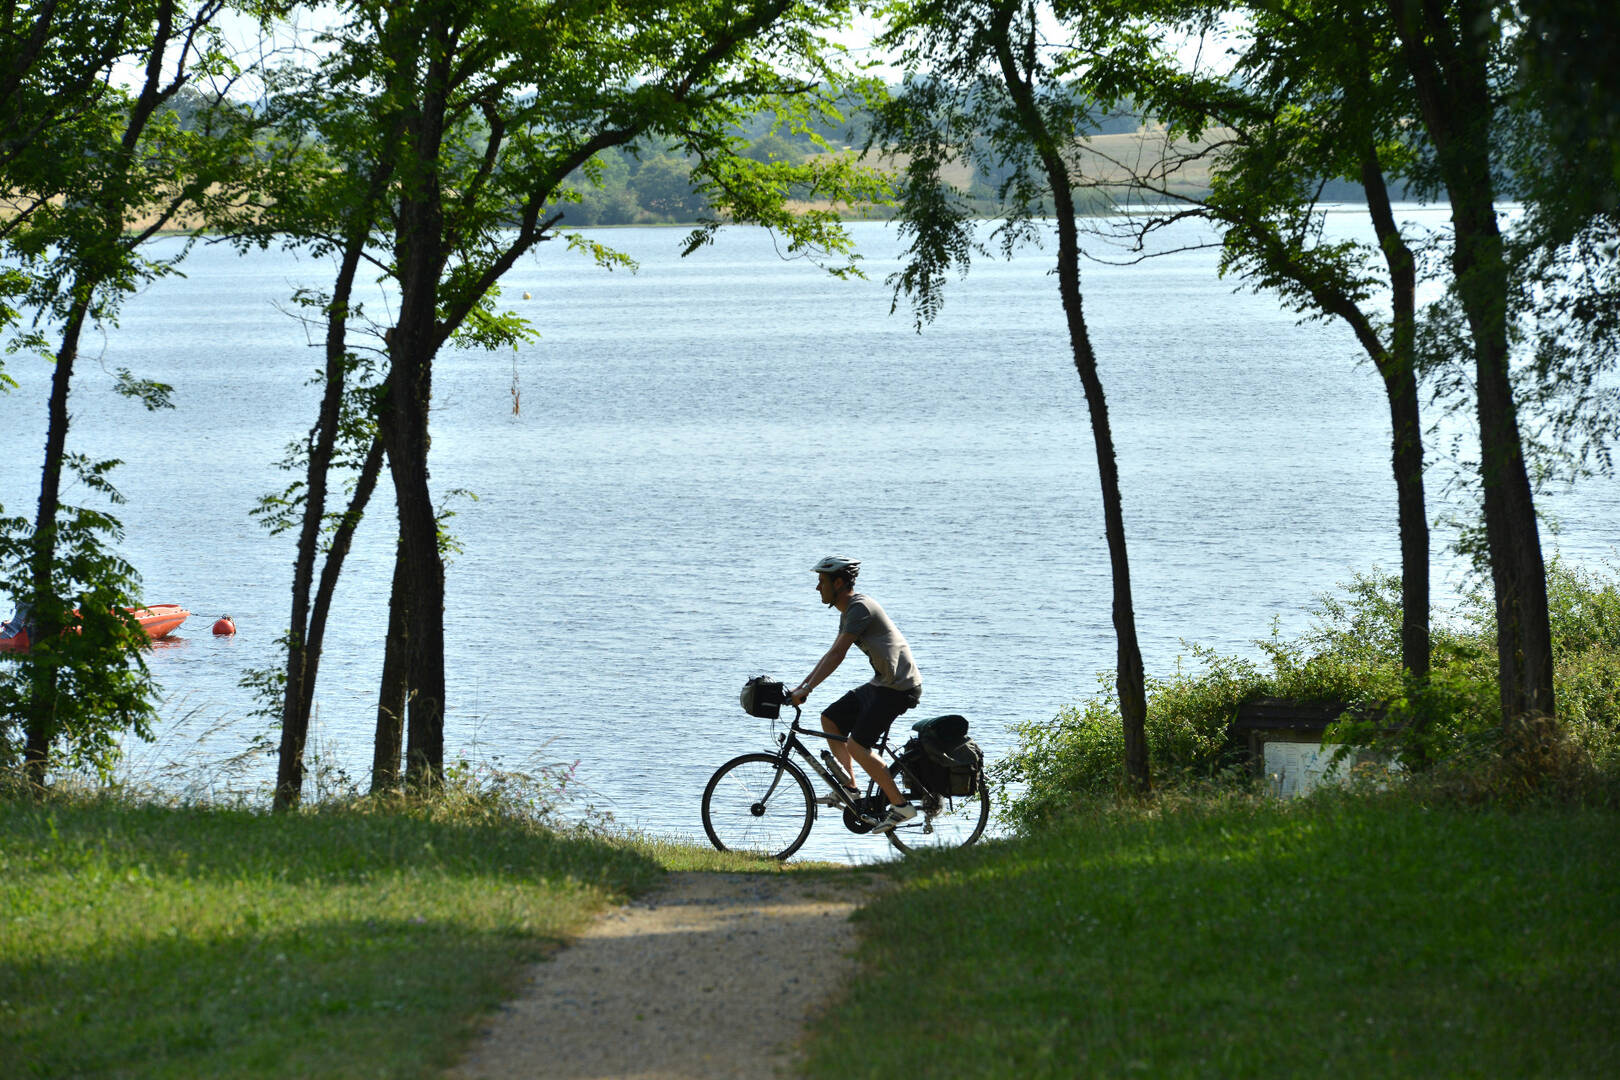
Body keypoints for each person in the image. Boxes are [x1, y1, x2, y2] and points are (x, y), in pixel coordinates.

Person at [788, 556, 921, 833]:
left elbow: (838, 654)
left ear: (838, 582)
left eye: (821, 582)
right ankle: (851, 787)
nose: (817, 588)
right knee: (831, 719)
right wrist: (801, 687)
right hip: (883, 682)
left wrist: (807, 689)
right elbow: (831, 653)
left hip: (899, 687)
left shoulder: (859, 608)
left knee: (856, 746)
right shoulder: (848, 610)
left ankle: (901, 806)